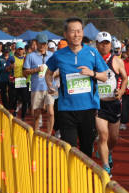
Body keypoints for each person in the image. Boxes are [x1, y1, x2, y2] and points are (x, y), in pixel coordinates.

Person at [45, 18, 109, 158]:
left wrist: (91, 73)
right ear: (66, 34)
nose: (76, 35)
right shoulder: (59, 55)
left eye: (79, 31)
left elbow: (105, 76)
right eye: (73, 31)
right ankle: (72, 179)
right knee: (70, 149)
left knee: (86, 150)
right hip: (66, 109)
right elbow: (48, 73)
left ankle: (85, 179)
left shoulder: (92, 53)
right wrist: (50, 85)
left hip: (88, 108)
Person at [94, 31, 127, 173]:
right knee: (103, 135)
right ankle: (106, 166)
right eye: (101, 43)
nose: (104, 46)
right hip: (98, 103)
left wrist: (121, 91)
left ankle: (109, 151)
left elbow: (125, 79)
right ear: (97, 45)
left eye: (106, 43)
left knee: (113, 138)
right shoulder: (92, 60)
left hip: (114, 104)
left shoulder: (117, 61)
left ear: (110, 44)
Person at [24, 33, 55, 133]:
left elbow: (58, 69)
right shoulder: (30, 56)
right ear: (36, 43)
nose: (43, 46)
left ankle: (49, 135)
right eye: (41, 43)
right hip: (36, 88)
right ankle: (36, 132)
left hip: (50, 87)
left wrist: (54, 74)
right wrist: (37, 69)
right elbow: (25, 72)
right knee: (37, 113)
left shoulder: (52, 55)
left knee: (50, 113)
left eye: (45, 43)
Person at [9, 41, 30, 119]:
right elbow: (6, 69)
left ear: (24, 50)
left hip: (25, 80)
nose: (20, 51)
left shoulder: (27, 57)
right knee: (15, 98)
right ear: (16, 50)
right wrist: (10, 67)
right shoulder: (12, 58)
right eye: (19, 49)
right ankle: (14, 111)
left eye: (21, 49)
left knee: (25, 100)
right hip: (16, 80)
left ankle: (23, 117)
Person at [0, 44, 13, 108]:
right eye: (5, 51)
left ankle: (11, 105)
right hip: (2, 78)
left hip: (11, 78)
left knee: (11, 92)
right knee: (3, 92)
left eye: (7, 51)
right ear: (2, 51)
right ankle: (5, 105)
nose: (6, 53)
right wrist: (4, 69)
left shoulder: (12, 58)